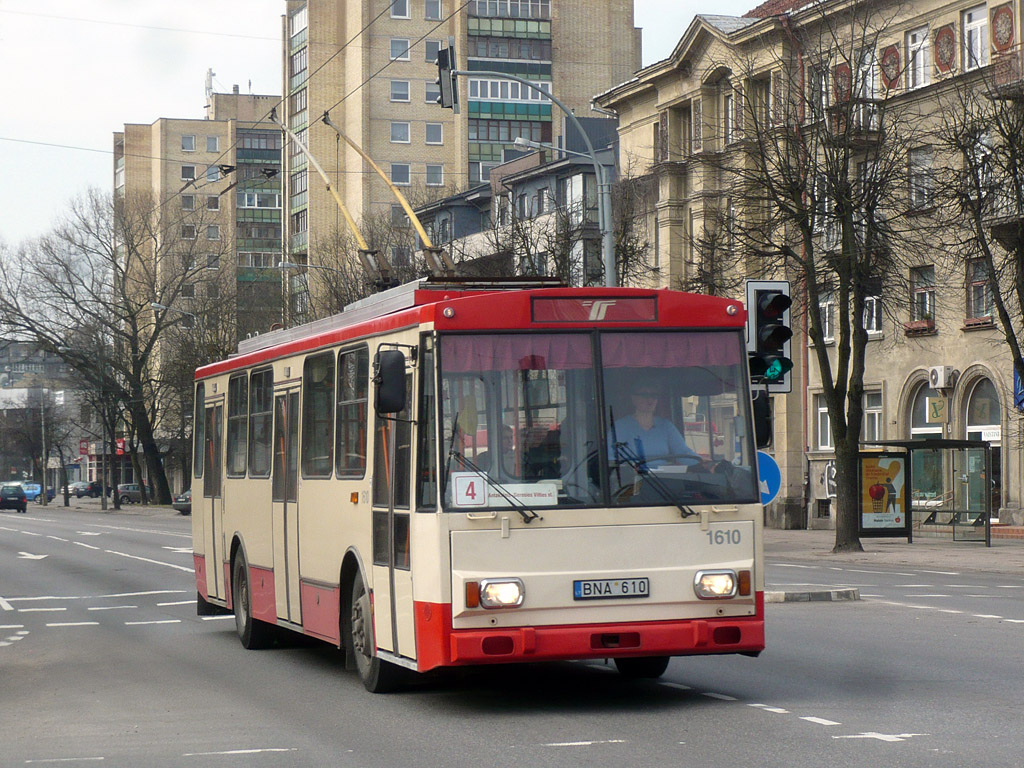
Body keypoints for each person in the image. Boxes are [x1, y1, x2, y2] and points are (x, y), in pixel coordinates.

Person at [610, 385, 701, 470]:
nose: (650, 400)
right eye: (645, 395)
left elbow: (683, 453)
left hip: (663, 480)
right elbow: (610, 459)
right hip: (632, 482)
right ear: (633, 398)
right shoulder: (620, 427)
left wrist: (702, 463)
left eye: (654, 396)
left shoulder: (665, 426)